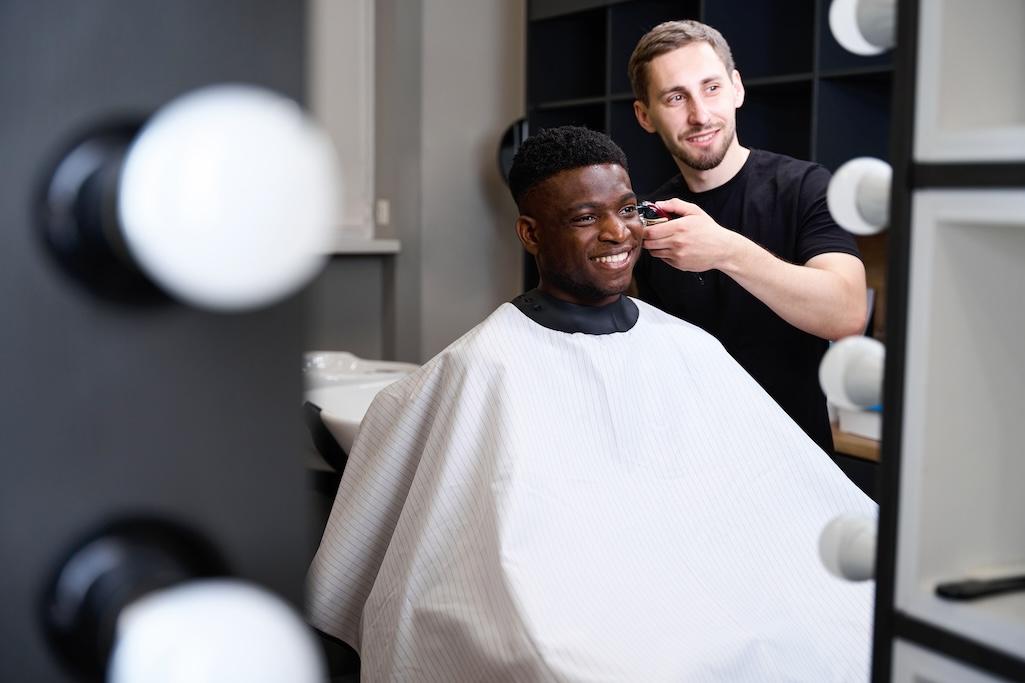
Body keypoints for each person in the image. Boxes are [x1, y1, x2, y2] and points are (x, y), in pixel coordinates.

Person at [307, 126, 875, 681]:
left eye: (627, 210)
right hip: (568, 607)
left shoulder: (689, 347)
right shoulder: (483, 363)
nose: (617, 232)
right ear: (530, 234)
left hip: (701, 587)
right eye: (585, 218)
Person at [628, 20, 868, 453]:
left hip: (796, 460)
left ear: (736, 88)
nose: (700, 114)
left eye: (711, 88)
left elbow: (847, 312)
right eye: (676, 97)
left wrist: (724, 249)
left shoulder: (806, 187)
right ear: (645, 116)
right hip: (692, 459)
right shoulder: (650, 220)